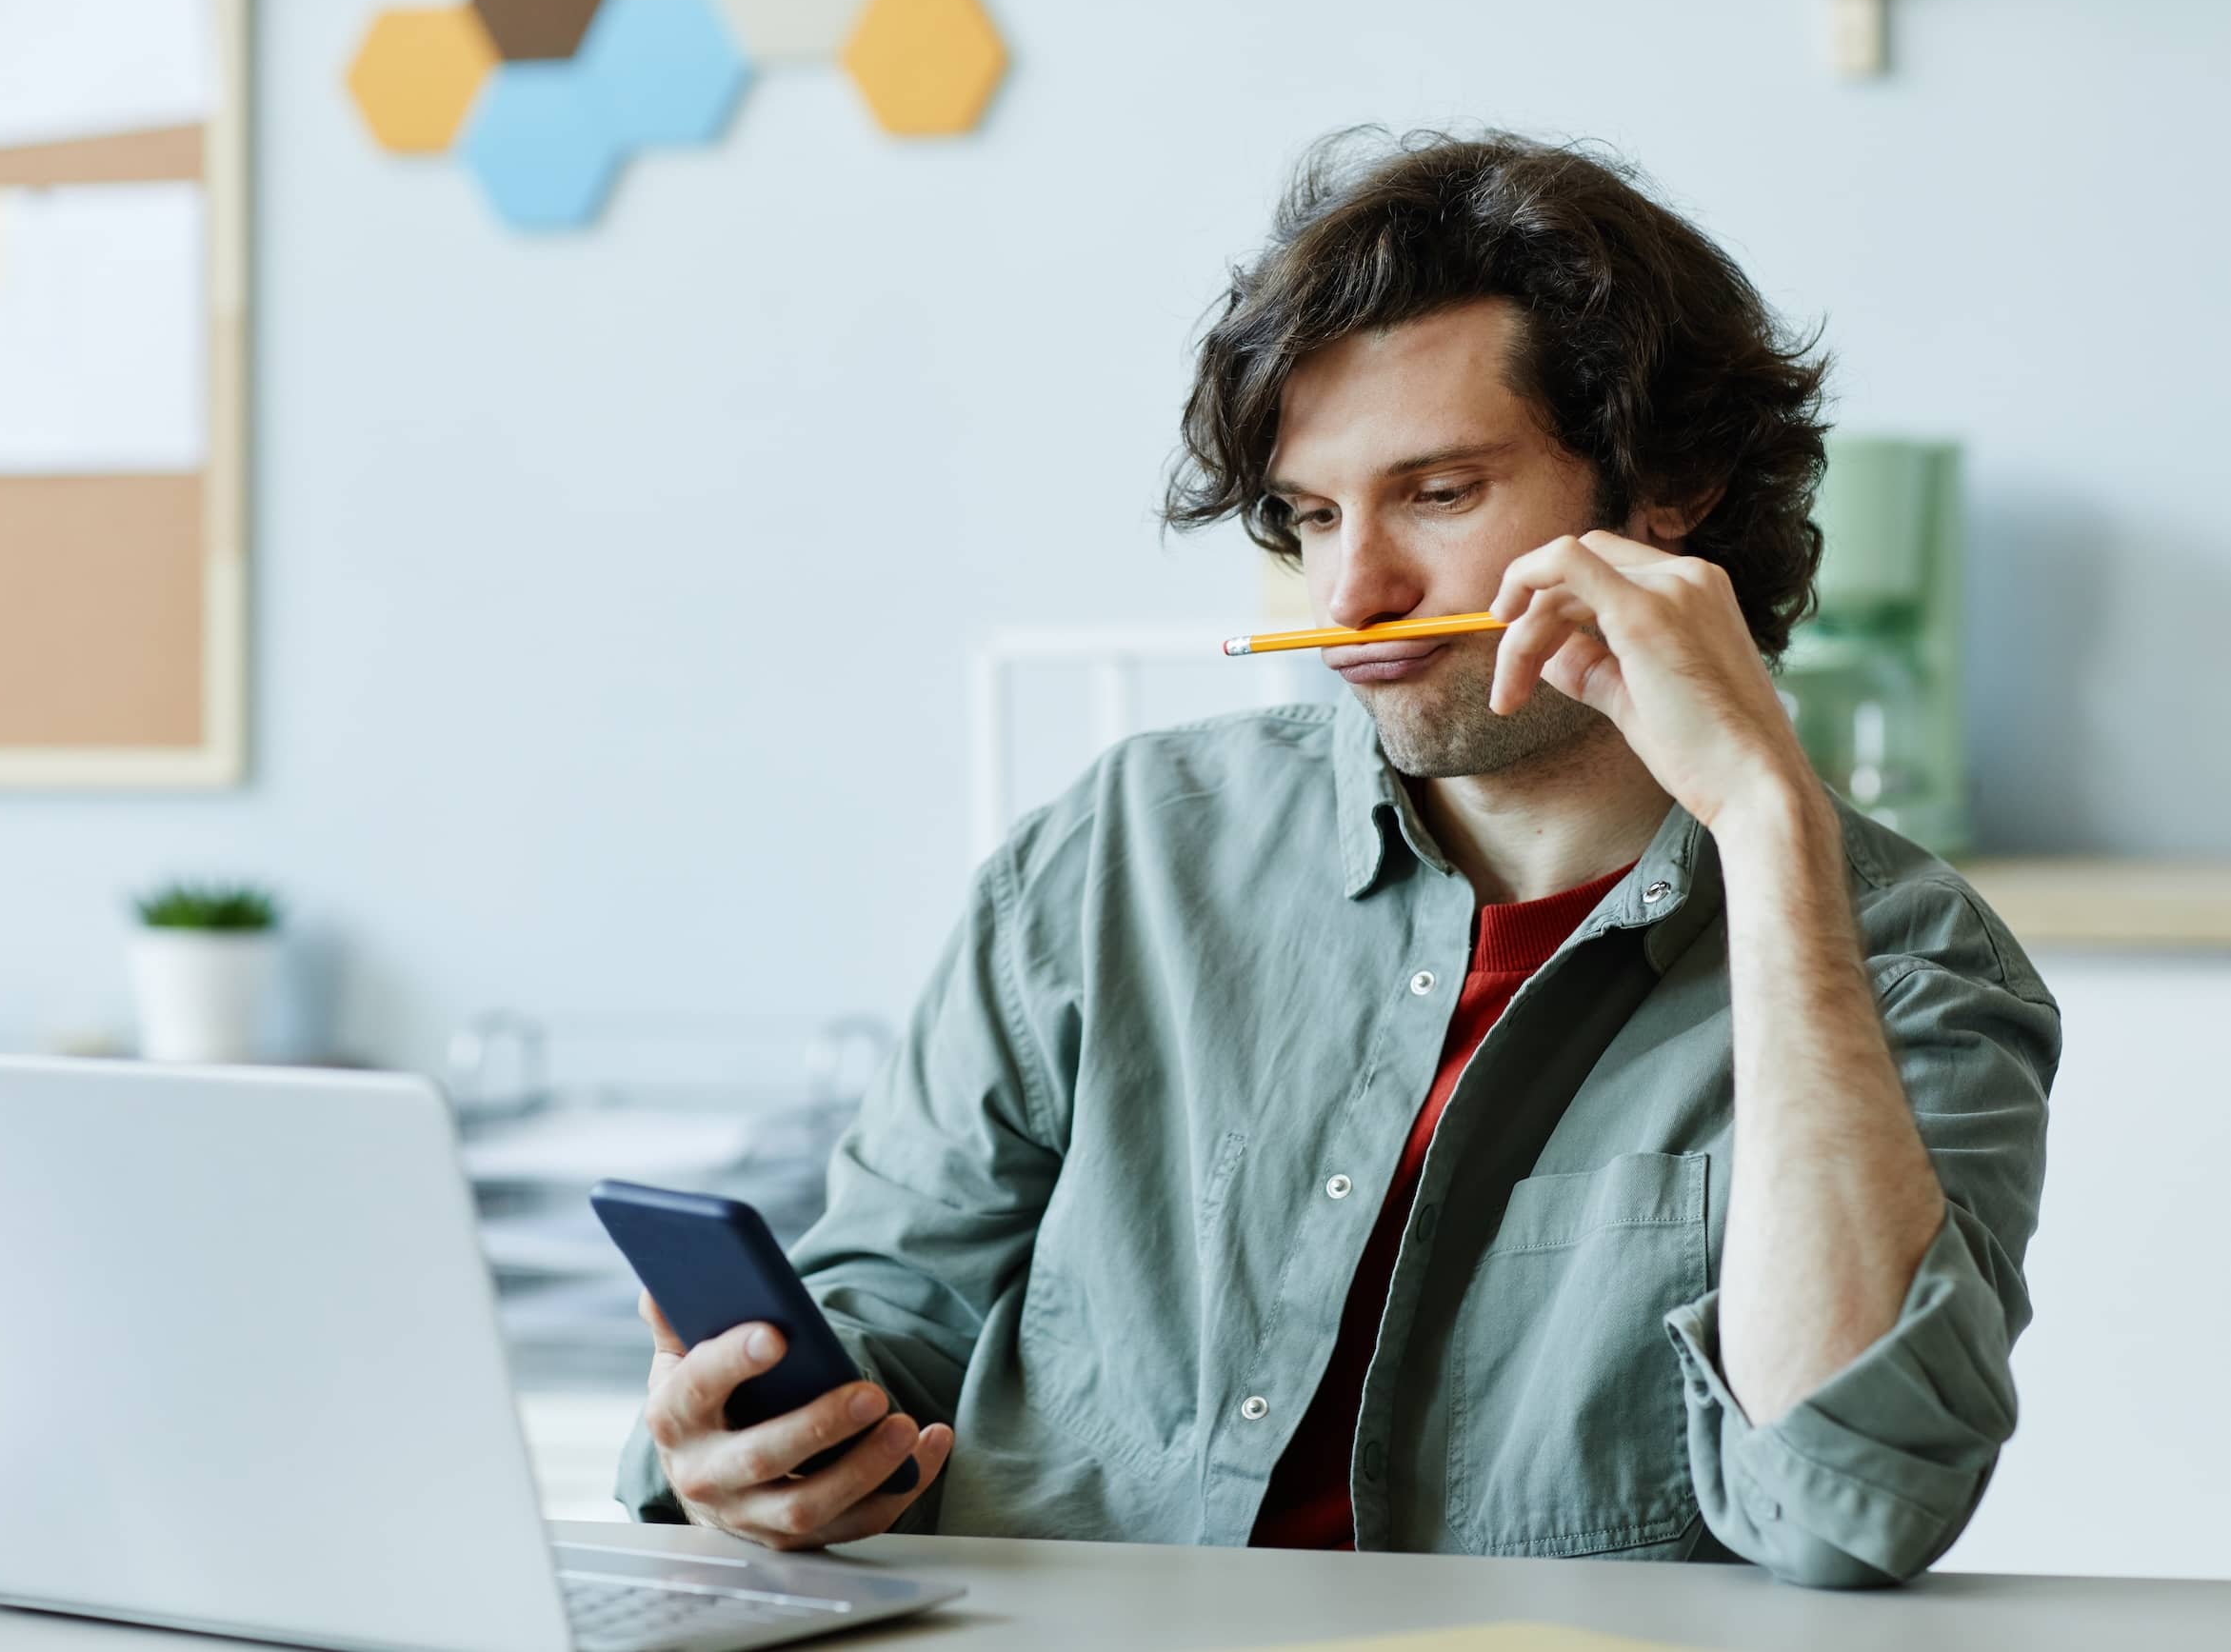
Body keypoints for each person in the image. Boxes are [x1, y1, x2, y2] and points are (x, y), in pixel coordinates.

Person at [615, 129, 2057, 1587]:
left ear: (1665, 484)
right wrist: (749, 1441)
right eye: (1310, 516)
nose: (1351, 595)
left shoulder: (1906, 958)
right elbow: (893, 1304)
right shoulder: (1125, 847)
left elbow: (1847, 1503)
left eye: (1436, 494)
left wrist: (1766, 827)